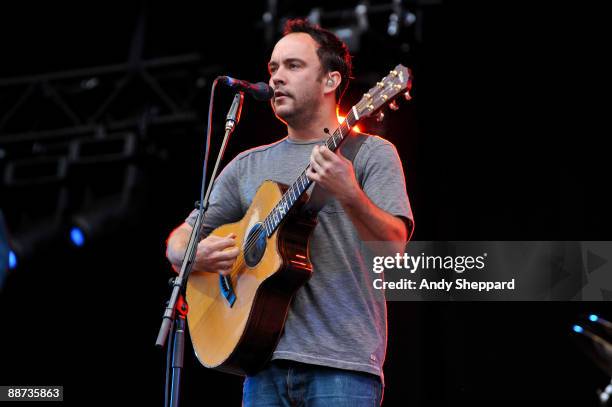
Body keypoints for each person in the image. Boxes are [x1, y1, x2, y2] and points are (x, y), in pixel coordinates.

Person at [166, 18, 414, 406]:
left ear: (331, 81)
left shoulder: (371, 154)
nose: (277, 77)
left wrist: (350, 194)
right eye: (273, 68)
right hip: (261, 365)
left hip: (342, 366)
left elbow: (394, 250)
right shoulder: (247, 165)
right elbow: (180, 238)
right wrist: (190, 253)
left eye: (293, 66)